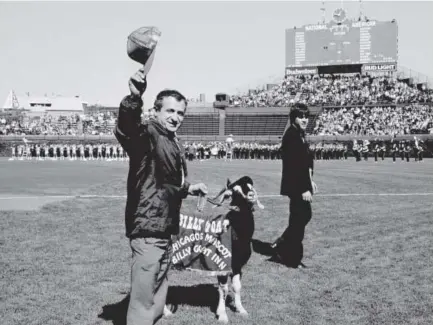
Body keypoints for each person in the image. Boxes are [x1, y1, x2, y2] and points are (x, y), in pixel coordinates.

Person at [114, 67, 208, 325]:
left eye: (180, 112)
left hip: (162, 227)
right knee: (144, 300)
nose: (176, 117)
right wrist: (133, 98)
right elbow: (127, 130)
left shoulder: (169, 139)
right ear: (156, 111)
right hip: (148, 226)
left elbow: (164, 182)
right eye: (170, 111)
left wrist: (189, 188)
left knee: (156, 295)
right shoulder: (149, 134)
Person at [271, 104, 317, 269]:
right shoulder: (292, 135)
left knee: (302, 217)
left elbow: (306, 161)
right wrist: (304, 187)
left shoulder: (299, 134)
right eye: (301, 116)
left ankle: (282, 245)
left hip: (301, 183)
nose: (305, 119)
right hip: (297, 185)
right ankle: (291, 258)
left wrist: (310, 180)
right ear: (294, 118)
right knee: (299, 219)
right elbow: (295, 165)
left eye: (306, 116)